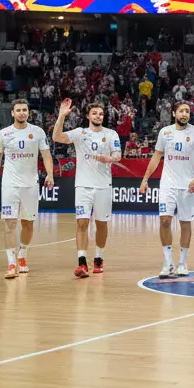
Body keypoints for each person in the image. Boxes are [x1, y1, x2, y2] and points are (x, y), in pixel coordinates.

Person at [52, 99, 121, 279]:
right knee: (82, 223)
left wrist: (110, 158)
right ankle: (82, 262)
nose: (98, 116)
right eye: (94, 113)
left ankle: (99, 257)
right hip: (83, 185)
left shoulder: (111, 134)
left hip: (103, 186)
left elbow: (118, 155)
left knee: (101, 224)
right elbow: (56, 137)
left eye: (100, 114)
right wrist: (61, 116)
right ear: (88, 116)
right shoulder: (80, 133)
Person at [141, 101, 194, 279]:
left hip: (188, 186)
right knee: (164, 221)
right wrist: (145, 179)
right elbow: (156, 157)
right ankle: (168, 262)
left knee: (185, 223)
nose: (184, 114)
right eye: (181, 111)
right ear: (174, 113)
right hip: (168, 184)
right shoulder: (165, 133)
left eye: (187, 111)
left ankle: (182, 262)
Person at [0, 99, 54, 279]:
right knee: (9, 223)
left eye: (24, 110)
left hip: (30, 185)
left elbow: (46, 156)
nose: (22, 113)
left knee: (27, 223)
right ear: (12, 113)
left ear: (28, 112)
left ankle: (22, 255)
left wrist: (50, 174)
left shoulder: (38, 132)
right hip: (10, 185)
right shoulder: (3, 134)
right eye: (18, 110)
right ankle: (11, 263)